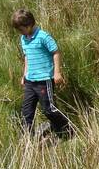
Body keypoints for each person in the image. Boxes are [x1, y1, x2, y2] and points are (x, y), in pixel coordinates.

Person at [11, 9, 71, 138]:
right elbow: (27, 57)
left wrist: (57, 73)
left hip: (44, 80)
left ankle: (67, 130)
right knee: (26, 111)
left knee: (49, 110)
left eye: (21, 29)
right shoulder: (23, 38)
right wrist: (24, 75)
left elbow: (56, 52)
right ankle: (27, 138)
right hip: (30, 81)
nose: (20, 32)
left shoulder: (43, 36)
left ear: (29, 25)